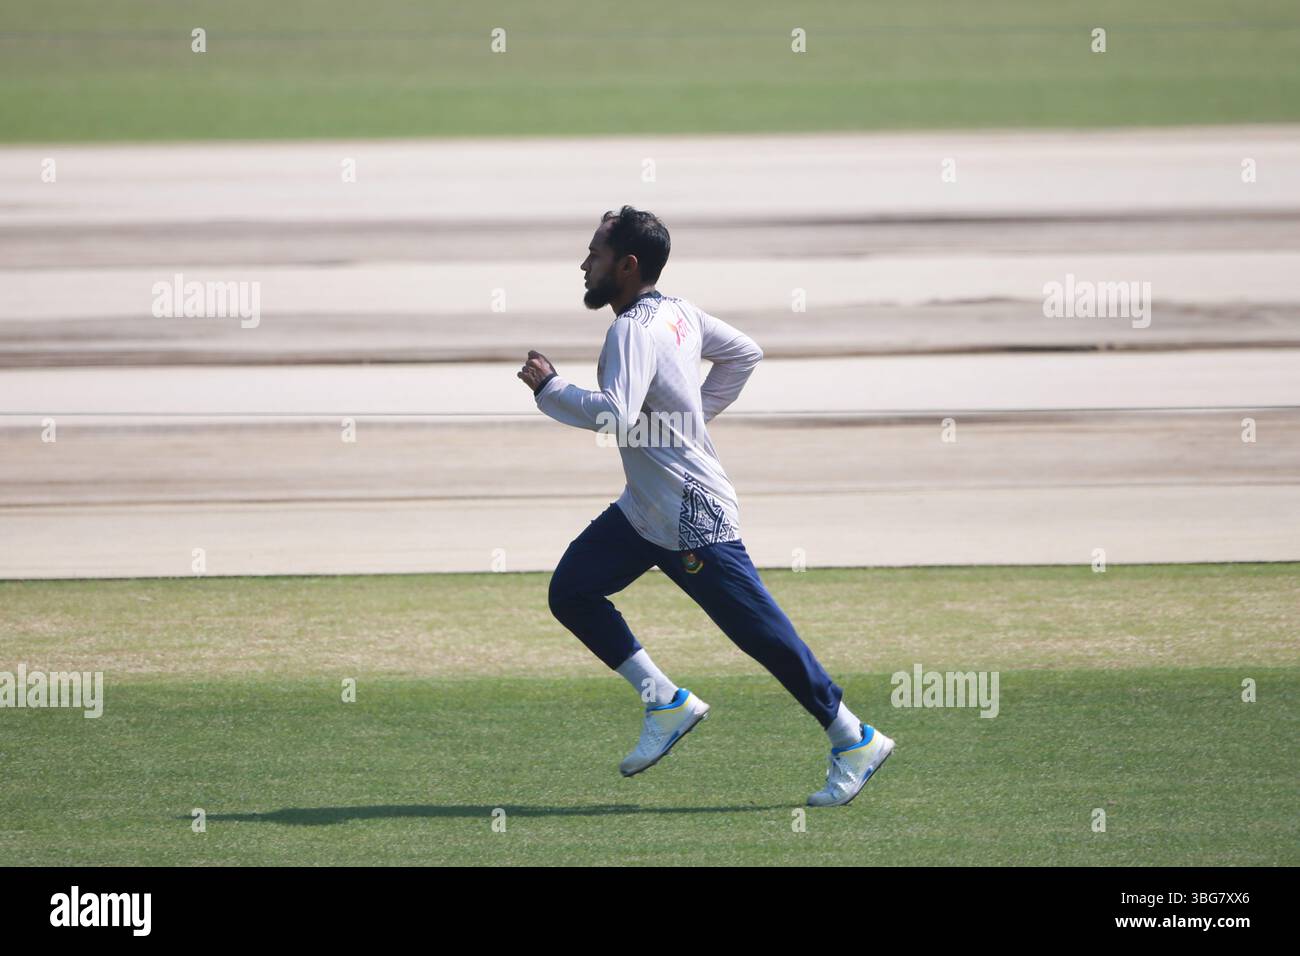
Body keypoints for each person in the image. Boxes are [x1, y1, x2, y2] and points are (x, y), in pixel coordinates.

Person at [517, 205, 893, 806]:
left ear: (628, 264)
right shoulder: (679, 314)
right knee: (572, 591)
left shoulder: (633, 329)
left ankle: (854, 739)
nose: (584, 263)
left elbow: (614, 413)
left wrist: (551, 390)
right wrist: (682, 424)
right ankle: (664, 702)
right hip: (647, 512)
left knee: (762, 635)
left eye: (595, 252)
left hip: (691, 516)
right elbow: (745, 353)